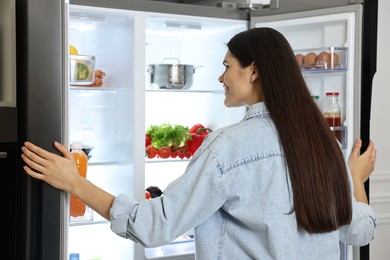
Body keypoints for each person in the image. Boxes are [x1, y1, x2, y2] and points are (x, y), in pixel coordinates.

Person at [21, 27, 376, 259]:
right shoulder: (323, 146)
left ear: (253, 71)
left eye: (227, 66)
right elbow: (359, 229)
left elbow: (153, 225)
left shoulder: (228, 147)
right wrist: (356, 179)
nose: (221, 77)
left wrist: (74, 182)